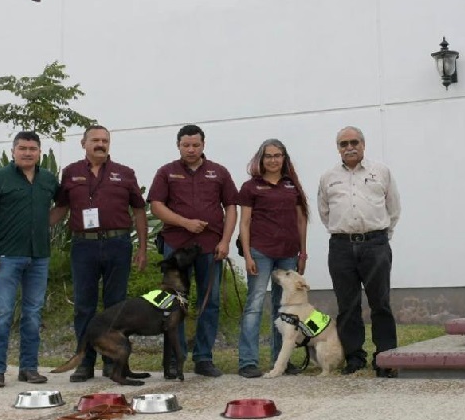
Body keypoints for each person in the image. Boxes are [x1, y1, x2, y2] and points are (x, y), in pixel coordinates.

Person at [52, 125, 149, 382]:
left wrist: (142, 248)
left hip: (118, 245)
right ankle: (85, 363)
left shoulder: (125, 173)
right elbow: (61, 208)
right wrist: (34, 228)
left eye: (105, 140)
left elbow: (139, 211)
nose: (100, 144)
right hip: (84, 246)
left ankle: (113, 362)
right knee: (84, 305)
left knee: (116, 306)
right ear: (83, 143)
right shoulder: (71, 172)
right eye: (95, 140)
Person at [148, 124, 238, 377]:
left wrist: (226, 241)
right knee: (172, 302)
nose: (191, 149)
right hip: (176, 246)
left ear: (203, 145)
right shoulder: (166, 172)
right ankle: (175, 359)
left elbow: (232, 207)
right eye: (186, 145)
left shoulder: (219, 172)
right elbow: (156, 206)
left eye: (195, 145)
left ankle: (204, 358)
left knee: (210, 302)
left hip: (210, 247)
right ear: (178, 145)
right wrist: (185, 223)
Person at [0, 131, 60, 388]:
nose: (27, 153)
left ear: (39, 152)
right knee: (2, 313)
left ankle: (29, 368)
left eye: (32, 149)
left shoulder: (48, 179)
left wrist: (46, 222)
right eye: (22, 148)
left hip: (39, 256)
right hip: (7, 257)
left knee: (33, 314)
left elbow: (64, 204)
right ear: (13, 151)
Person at [317, 126, 401, 378]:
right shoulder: (328, 177)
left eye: (354, 142)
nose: (349, 147)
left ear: (363, 144)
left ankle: (385, 357)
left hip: (375, 245)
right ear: (338, 148)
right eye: (344, 144)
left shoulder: (381, 172)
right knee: (347, 305)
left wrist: (381, 236)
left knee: (380, 303)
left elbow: (393, 208)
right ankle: (354, 357)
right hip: (341, 247)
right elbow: (324, 212)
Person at [235, 139, 309, 378]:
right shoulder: (250, 187)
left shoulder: (292, 186)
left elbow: (301, 221)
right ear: (261, 159)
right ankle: (248, 361)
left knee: (284, 309)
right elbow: (244, 223)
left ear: (284, 158)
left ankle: (281, 361)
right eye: (268, 156)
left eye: (278, 155)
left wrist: (302, 252)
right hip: (260, 252)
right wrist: (247, 255)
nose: (273, 160)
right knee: (254, 305)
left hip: (288, 254)